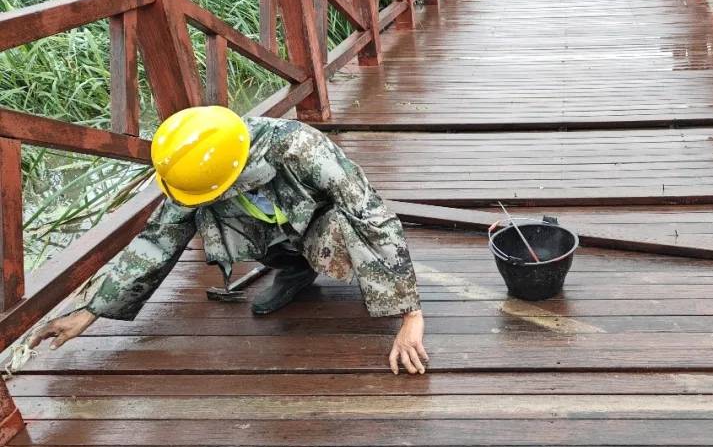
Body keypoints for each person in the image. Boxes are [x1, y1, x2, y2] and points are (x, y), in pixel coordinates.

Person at [30, 106, 428, 374]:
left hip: (318, 223)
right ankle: (294, 272)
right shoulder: (197, 166)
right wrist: (90, 311)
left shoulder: (299, 147)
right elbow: (156, 242)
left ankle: (310, 262)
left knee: (348, 224)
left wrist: (410, 315)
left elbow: (371, 214)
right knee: (212, 222)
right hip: (269, 226)